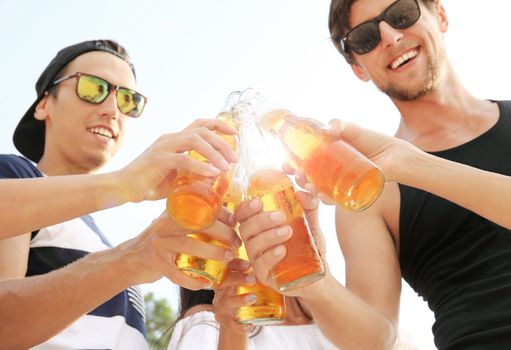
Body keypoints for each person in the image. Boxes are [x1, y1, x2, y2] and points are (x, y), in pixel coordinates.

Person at [237, 0, 511, 349]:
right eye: (366, 36)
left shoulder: (389, 167)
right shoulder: (366, 188)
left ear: (440, 15)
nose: (390, 36)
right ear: (358, 68)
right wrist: (314, 283)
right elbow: (376, 339)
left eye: (401, 14)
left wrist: (411, 165)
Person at [0, 39, 240, 350]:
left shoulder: (101, 240)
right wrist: (131, 250)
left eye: (128, 100)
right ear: (44, 104)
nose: (112, 110)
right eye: (92, 88)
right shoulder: (15, 175)